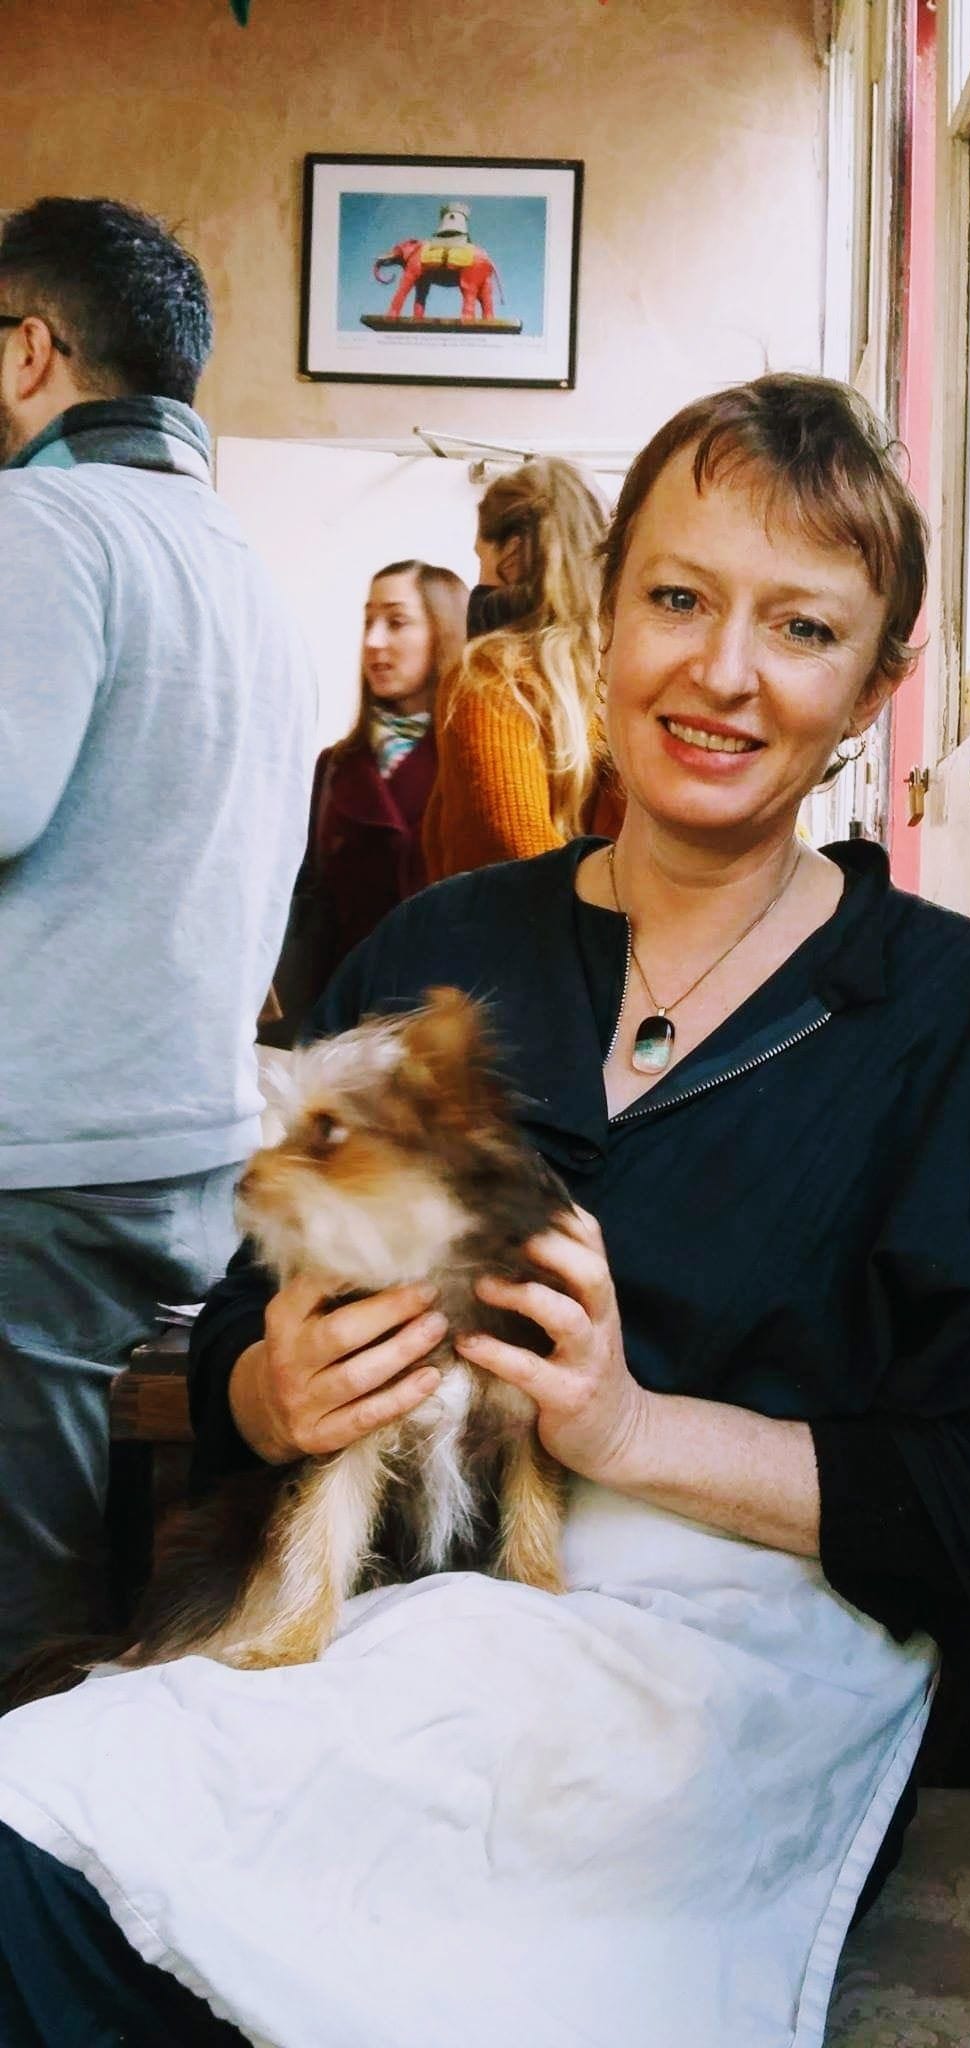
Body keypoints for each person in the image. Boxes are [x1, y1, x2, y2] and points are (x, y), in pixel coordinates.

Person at [0, 373, 970, 2048]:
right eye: (676, 598)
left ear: (876, 685)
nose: (719, 672)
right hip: (390, 1611)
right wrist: (268, 1382)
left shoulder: (951, 1028)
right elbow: (244, 1309)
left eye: (798, 628)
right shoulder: (433, 955)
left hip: (733, 1674)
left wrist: (631, 1425)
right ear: (605, 619)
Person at [0, 197, 315, 1681]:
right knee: (116, 1579)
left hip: (34, 1165)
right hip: (188, 1150)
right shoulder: (251, 569)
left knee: (28, 1605)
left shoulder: (44, 520)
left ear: (28, 351)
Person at [273, 559, 468, 1032]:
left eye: (396, 622)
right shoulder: (335, 765)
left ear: (442, 631)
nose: (374, 642)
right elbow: (307, 905)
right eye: (368, 622)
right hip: (342, 1031)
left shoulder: (473, 761)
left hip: (442, 1032)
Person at [421, 455, 621, 878]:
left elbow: (515, 848)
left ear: (511, 553)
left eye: (480, 556)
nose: (477, 573)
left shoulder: (490, 677)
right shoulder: (618, 669)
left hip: (499, 936)